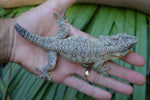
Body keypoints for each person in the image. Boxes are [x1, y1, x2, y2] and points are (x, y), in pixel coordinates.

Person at [0, 0, 146, 100]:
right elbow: (96, 66)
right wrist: (101, 71)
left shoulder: (104, 42)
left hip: (58, 41)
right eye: (127, 44)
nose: (131, 42)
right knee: (51, 66)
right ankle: (46, 69)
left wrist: (10, 37)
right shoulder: (104, 55)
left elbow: (100, 47)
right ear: (118, 51)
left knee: (56, 51)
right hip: (55, 46)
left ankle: (46, 35)